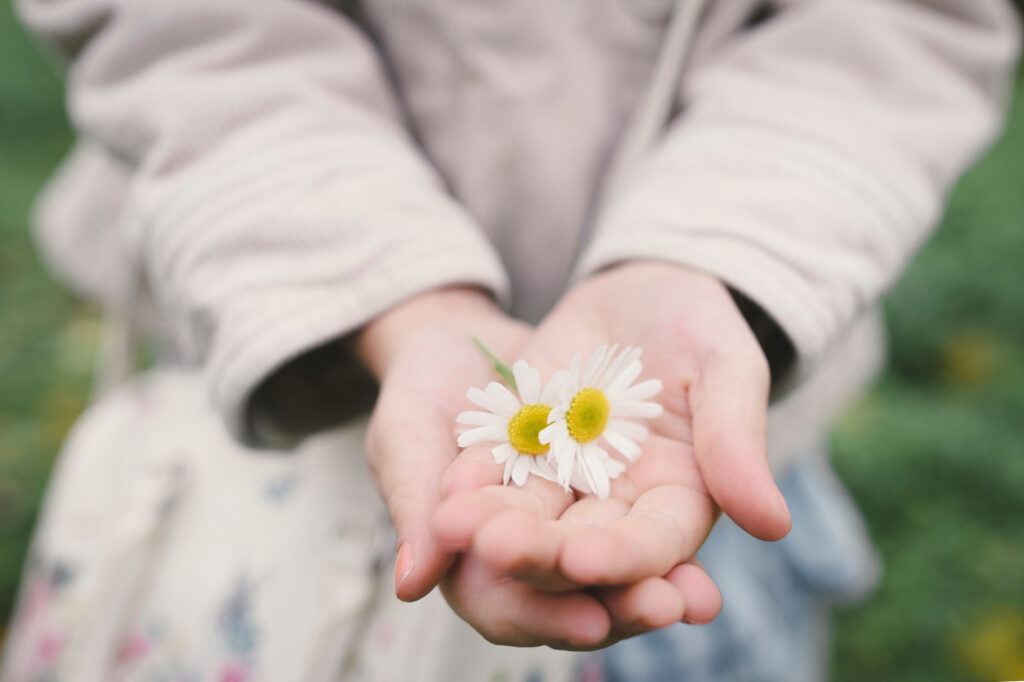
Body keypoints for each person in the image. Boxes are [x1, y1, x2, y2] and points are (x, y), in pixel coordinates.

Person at [2, 0, 1018, 680]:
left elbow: (900, 23)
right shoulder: (547, 413)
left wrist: (713, 250)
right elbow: (180, 27)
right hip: (283, 350)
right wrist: (396, 296)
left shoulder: (603, 411)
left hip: (714, 432)